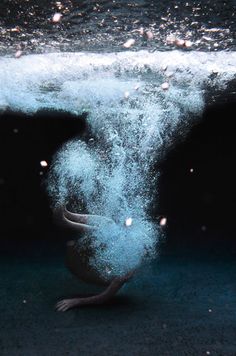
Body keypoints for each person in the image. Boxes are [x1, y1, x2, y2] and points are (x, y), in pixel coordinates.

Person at [54, 206, 134, 311]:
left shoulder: (127, 269)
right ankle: (68, 216)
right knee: (109, 225)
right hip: (83, 260)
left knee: (106, 232)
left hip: (82, 270)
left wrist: (76, 302)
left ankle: (67, 222)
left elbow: (104, 297)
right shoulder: (124, 246)